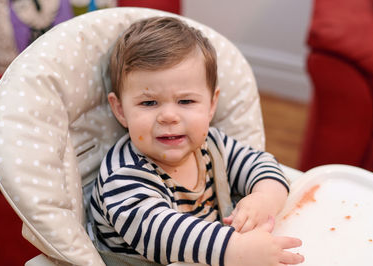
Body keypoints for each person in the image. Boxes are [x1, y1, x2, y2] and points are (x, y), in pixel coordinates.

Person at [90, 16, 304, 266]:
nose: (169, 116)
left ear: (212, 105)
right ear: (121, 110)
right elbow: (164, 235)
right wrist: (235, 250)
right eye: (148, 103)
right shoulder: (123, 177)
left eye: (186, 101)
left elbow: (262, 164)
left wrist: (264, 198)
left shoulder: (211, 145)